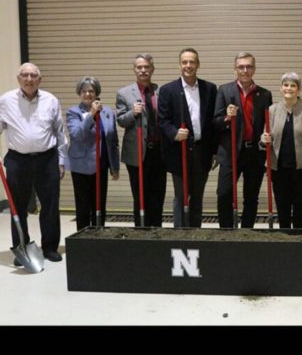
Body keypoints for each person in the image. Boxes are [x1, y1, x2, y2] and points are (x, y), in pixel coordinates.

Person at [0, 62, 67, 264]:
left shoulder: (51, 100)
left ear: (39, 79)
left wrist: (62, 159)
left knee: (49, 205)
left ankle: (49, 248)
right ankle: (21, 246)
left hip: (47, 159)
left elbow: (60, 132)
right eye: (25, 75)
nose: (29, 79)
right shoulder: (5, 101)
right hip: (17, 160)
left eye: (33, 75)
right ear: (18, 79)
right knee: (17, 207)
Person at [158, 48, 217, 228]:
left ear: (198, 64)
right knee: (181, 197)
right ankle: (180, 234)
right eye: (185, 62)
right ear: (179, 65)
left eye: (192, 62)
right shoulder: (168, 90)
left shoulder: (210, 88)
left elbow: (213, 122)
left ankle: (195, 234)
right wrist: (174, 133)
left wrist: (214, 151)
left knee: (197, 197)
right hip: (179, 152)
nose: (188, 66)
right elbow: (162, 120)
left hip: (202, 152)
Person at [214, 52, 272, 228]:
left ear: (254, 69)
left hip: (254, 152)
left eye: (249, 66)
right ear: (235, 69)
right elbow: (215, 122)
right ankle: (226, 231)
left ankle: (247, 231)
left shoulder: (264, 94)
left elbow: (268, 122)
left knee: (251, 196)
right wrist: (226, 118)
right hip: (230, 152)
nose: (245, 70)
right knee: (224, 194)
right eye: (241, 67)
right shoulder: (224, 90)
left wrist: (266, 136)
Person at [260, 72, 302, 228]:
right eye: (286, 85)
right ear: (281, 88)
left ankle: (301, 244)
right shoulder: (272, 110)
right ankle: (285, 242)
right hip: (278, 169)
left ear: (299, 90)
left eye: (293, 85)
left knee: (300, 210)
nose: (289, 88)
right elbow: (266, 137)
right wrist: (263, 140)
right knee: (282, 209)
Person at [116, 54, 167, 227]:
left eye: (146, 67)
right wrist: (133, 112)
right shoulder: (124, 93)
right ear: (134, 70)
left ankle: (156, 230)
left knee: (158, 194)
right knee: (140, 195)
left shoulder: (161, 91)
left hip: (158, 152)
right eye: (139, 67)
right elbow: (121, 120)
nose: (143, 70)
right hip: (136, 152)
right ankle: (140, 231)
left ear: (152, 69)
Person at [65, 77, 120, 230]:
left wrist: (114, 167)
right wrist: (91, 114)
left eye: (91, 91)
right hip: (82, 166)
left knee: (100, 206)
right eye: (84, 91)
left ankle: (99, 237)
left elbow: (113, 141)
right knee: (83, 207)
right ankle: (83, 240)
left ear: (97, 93)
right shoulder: (73, 112)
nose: (88, 94)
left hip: (101, 165)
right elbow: (77, 135)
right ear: (79, 93)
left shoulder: (108, 112)